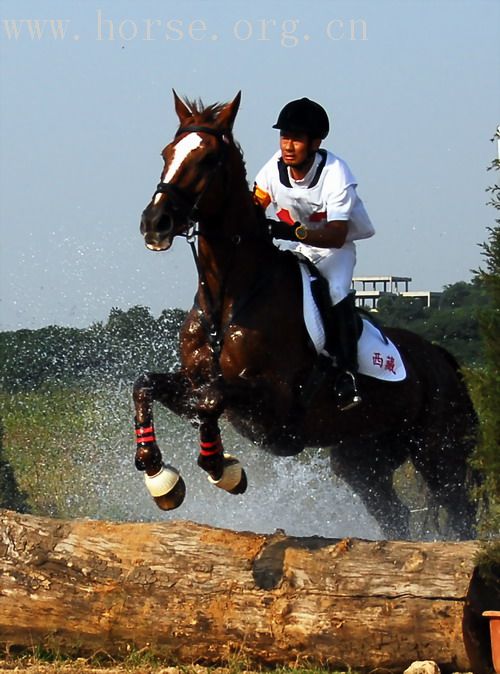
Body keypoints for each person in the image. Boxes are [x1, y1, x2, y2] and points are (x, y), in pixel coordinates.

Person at [253, 97, 375, 410]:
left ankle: (347, 373)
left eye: (296, 138)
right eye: (284, 137)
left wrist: (290, 232)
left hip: (337, 247)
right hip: (302, 245)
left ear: (315, 142)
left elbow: (336, 235)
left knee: (334, 290)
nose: (288, 145)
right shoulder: (272, 170)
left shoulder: (335, 173)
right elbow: (254, 208)